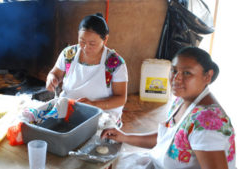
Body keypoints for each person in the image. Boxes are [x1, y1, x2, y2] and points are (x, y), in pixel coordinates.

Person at [101, 46, 236, 169]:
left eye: (187, 73)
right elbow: (166, 139)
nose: (176, 78)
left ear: (208, 76)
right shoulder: (182, 100)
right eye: (174, 70)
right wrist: (125, 137)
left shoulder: (208, 123)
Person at [46, 13, 128, 125]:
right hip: (68, 108)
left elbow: (121, 98)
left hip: (102, 113)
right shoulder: (68, 54)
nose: (85, 47)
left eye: (92, 44)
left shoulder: (115, 63)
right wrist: (52, 79)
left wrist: (94, 104)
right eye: (82, 41)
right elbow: (55, 73)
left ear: (105, 40)